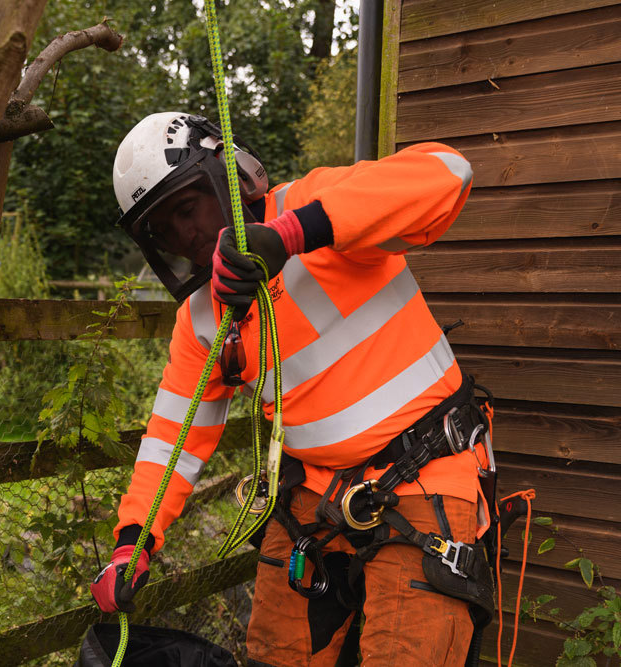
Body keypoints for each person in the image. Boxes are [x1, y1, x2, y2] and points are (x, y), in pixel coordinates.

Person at [89, 112, 498, 666]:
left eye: (187, 208)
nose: (184, 234)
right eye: (163, 228)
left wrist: (293, 234)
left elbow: (448, 172)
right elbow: (173, 439)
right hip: (317, 499)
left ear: (226, 174)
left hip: (425, 476)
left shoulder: (315, 207)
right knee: (274, 657)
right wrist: (132, 541)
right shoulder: (206, 317)